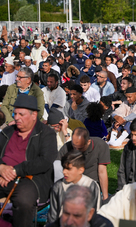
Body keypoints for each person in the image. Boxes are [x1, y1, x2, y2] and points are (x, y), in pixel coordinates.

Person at [0, 94, 58, 227]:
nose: (16, 117)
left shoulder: (46, 133)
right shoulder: (7, 131)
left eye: (21, 114)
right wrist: (2, 168)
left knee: (24, 201)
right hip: (3, 174)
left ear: (34, 115)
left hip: (30, 179)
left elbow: (45, 161)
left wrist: (15, 171)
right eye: (15, 114)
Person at [57, 127, 110, 202]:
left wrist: (105, 197)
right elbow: (57, 169)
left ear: (88, 142)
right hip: (71, 185)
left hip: (91, 186)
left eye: (80, 148)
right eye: (74, 147)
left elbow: (102, 172)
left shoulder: (100, 145)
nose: (76, 150)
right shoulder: (66, 147)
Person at [47, 151, 101, 224]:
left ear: (81, 170)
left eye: (68, 169)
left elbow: (96, 213)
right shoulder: (58, 186)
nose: (64, 172)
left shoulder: (91, 185)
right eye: (63, 168)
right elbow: (53, 215)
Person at [46, 185, 113, 227]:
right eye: (66, 214)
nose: (69, 222)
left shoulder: (104, 225)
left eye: (77, 216)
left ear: (90, 214)